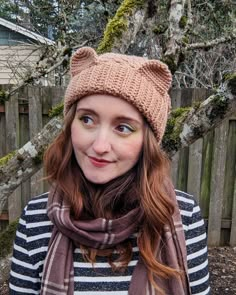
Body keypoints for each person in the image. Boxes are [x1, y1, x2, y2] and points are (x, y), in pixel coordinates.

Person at [9, 47, 210, 295]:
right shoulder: (38, 218)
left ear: (148, 143)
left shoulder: (182, 214)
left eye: (123, 127)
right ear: (71, 124)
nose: (100, 146)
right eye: (87, 120)